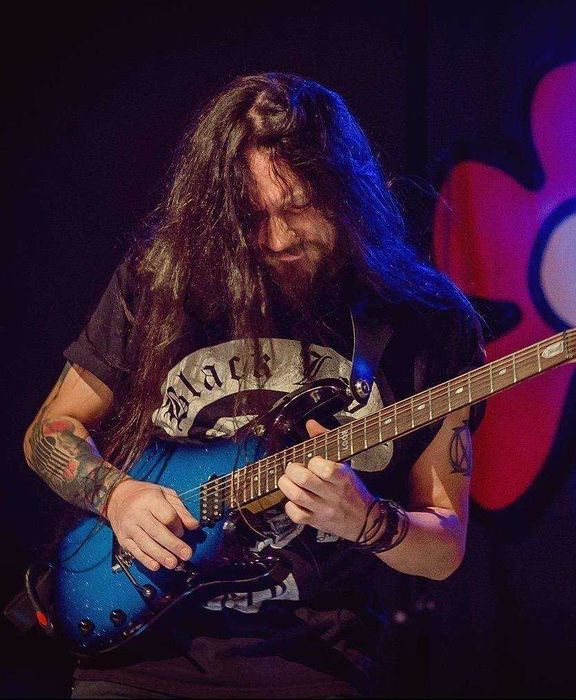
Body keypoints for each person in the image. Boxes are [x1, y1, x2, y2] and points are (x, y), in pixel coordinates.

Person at [23, 72, 485, 698]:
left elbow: (445, 547)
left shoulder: (425, 321)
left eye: (298, 208)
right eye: (251, 216)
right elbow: (48, 432)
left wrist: (368, 520)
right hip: (135, 658)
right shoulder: (163, 280)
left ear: (346, 191)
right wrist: (117, 496)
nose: (277, 238)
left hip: (311, 663)